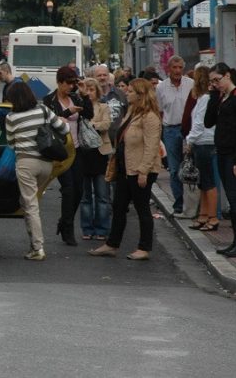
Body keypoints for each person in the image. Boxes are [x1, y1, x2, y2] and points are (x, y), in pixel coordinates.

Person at [89, 77, 161, 260]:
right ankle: (112, 244)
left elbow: (152, 147)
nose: (126, 93)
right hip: (125, 167)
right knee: (119, 206)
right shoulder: (131, 112)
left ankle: (144, 247)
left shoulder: (150, 117)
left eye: (130, 91)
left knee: (142, 208)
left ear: (140, 95)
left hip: (139, 169)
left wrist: (143, 171)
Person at [5, 80, 71, 261]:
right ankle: (34, 244)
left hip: (26, 163)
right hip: (46, 164)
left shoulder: (11, 117)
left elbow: (11, 144)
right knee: (29, 202)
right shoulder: (43, 110)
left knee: (30, 204)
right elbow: (64, 129)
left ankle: (37, 247)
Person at [204, 62, 236, 258]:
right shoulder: (222, 97)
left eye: (217, 80)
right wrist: (214, 96)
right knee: (231, 195)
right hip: (223, 152)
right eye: (212, 82)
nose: (215, 84)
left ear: (227, 76)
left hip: (234, 154)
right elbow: (209, 122)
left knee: (234, 196)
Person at [43, 66, 92, 246]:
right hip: (60, 150)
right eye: (69, 83)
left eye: (74, 83)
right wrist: (66, 113)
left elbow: (89, 114)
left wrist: (85, 94)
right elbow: (48, 122)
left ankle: (64, 220)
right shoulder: (49, 100)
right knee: (69, 188)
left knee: (79, 189)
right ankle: (68, 228)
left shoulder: (76, 97)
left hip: (77, 149)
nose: (71, 87)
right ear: (60, 82)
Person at [156, 55, 194, 217]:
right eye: (174, 68)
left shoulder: (190, 84)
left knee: (191, 168)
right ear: (168, 69)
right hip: (170, 130)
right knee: (174, 169)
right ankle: (179, 203)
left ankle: (193, 203)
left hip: (189, 130)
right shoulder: (161, 87)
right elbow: (159, 111)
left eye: (180, 68)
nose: (177, 71)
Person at [184, 65, 219, 231]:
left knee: (208, 181)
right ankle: (204, 215)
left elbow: (199, 124)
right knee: (203, 182)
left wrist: (189, 141)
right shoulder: (203, 98)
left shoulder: (205, 99)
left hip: (204, 142)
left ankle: (212, 217)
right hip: (203, 142)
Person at [79, 77, 113, 241]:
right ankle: (87, 228)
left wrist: (92, 125)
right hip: (84, 154)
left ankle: (102, 228)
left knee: (102, 195)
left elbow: (106, 124)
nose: (90, 93)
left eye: (92, 90)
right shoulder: (80, 108)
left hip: (99, 153)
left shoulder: (103, 107)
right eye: (87, 89)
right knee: (86, 196)